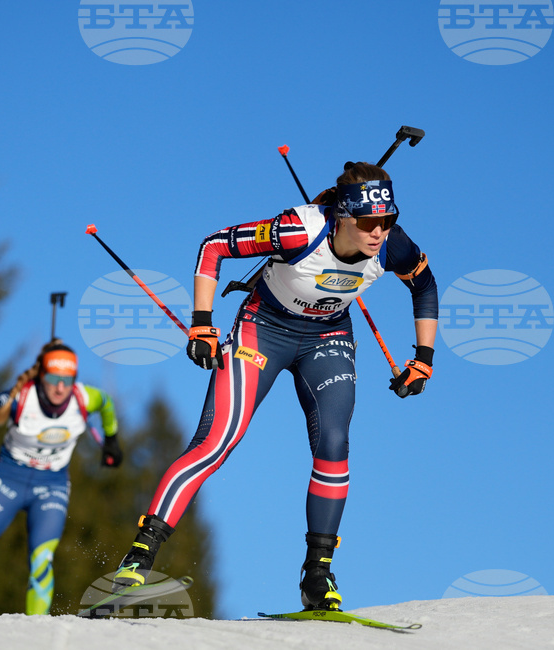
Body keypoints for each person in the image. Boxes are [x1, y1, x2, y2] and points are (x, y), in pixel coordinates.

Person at [112, 161, 438, 611]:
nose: (378, 232)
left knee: (335, 444)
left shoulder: (391, 247)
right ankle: (139, 557)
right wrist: (202, 325)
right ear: (342, 215)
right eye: (367, 221)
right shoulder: (297, 231)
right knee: (217, 442)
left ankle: (317, 576)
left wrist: (424, 358)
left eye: (386, 221)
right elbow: (213, 247)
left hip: (327, 336)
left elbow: (424, 284)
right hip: (263, 329)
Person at [0, 340, 122, 615]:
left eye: (67, 380)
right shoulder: (18, 399)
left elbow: (108, 404)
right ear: (41, 376)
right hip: (7, 480)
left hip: (51, 485)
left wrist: (111, 439)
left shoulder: (84, 398)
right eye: (53, 378)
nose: (60, 387)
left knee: (42, 560)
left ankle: (36, 634)